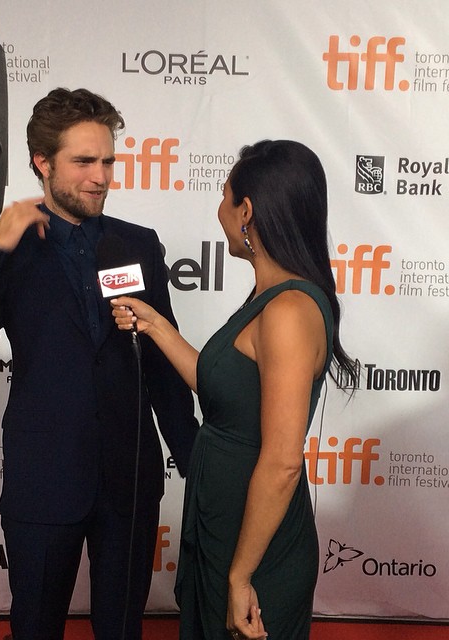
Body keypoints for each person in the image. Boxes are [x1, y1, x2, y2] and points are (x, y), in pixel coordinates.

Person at [0, 87, 199, 640]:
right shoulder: (2, 251)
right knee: (35, 628)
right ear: (43, 162)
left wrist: (196, 466)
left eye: (108, 161)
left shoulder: (138, 245)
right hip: (44, 479)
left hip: (130, 479)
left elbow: (162, 368)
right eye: (84, 162)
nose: (101, 177)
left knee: (122, 631)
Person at [111, 140, 357, 640]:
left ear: (246, 212)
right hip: (223, 520)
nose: (219, 211)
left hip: (256, 544)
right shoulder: (268, 296)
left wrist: (241, 576)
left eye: (224, 198)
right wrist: (155, 324)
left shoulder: (288, 311)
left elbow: (283, 462)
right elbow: (222, 389)